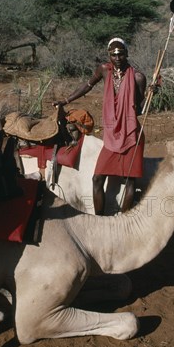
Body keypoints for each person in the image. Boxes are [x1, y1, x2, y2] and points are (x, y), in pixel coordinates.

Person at [53, 38, 146, 215]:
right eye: (113, 53)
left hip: (131, 133)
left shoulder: (137, 76)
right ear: (108, 54)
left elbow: (140, 109)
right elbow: (87, 86)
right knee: (97, 178)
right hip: (112, 135)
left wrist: (151, 94)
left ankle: (123, 220)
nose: (117, 57)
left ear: (126, 53)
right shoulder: (104, 70)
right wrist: (65, 100)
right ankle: (100, 220)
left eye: (120, 53)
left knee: (130, 181)